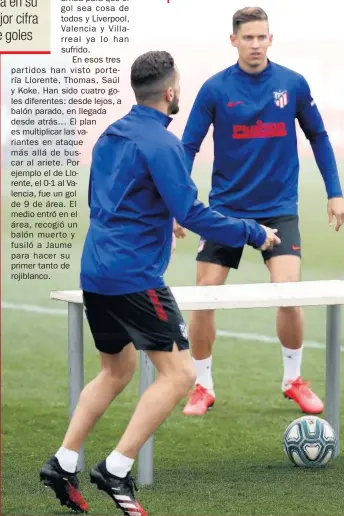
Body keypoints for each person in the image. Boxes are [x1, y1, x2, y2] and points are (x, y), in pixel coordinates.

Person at [39, 50, 280, 516]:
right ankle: (115, 467)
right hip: (133, 276)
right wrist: (254, 232)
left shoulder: (110, 135)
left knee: (117, 370)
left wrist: (158, 214)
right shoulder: (164, 145)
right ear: (170, 92)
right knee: (181, 374)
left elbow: (102, 197)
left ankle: (63, 461)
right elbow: (194, 213)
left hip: (96, 269)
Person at [178, 6, 344, 417]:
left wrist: (335, 193)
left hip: (278, 209)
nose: (255, 44)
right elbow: (187, 146)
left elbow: (319, 136)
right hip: (226, 212)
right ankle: (202, 384)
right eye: (247, 37)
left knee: (289, 296)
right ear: (233, 40)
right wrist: (177, 206)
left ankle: (293, 379)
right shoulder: (215, 89)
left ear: (271, 39)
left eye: (262, 37)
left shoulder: (292, 84)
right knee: (205, 299)